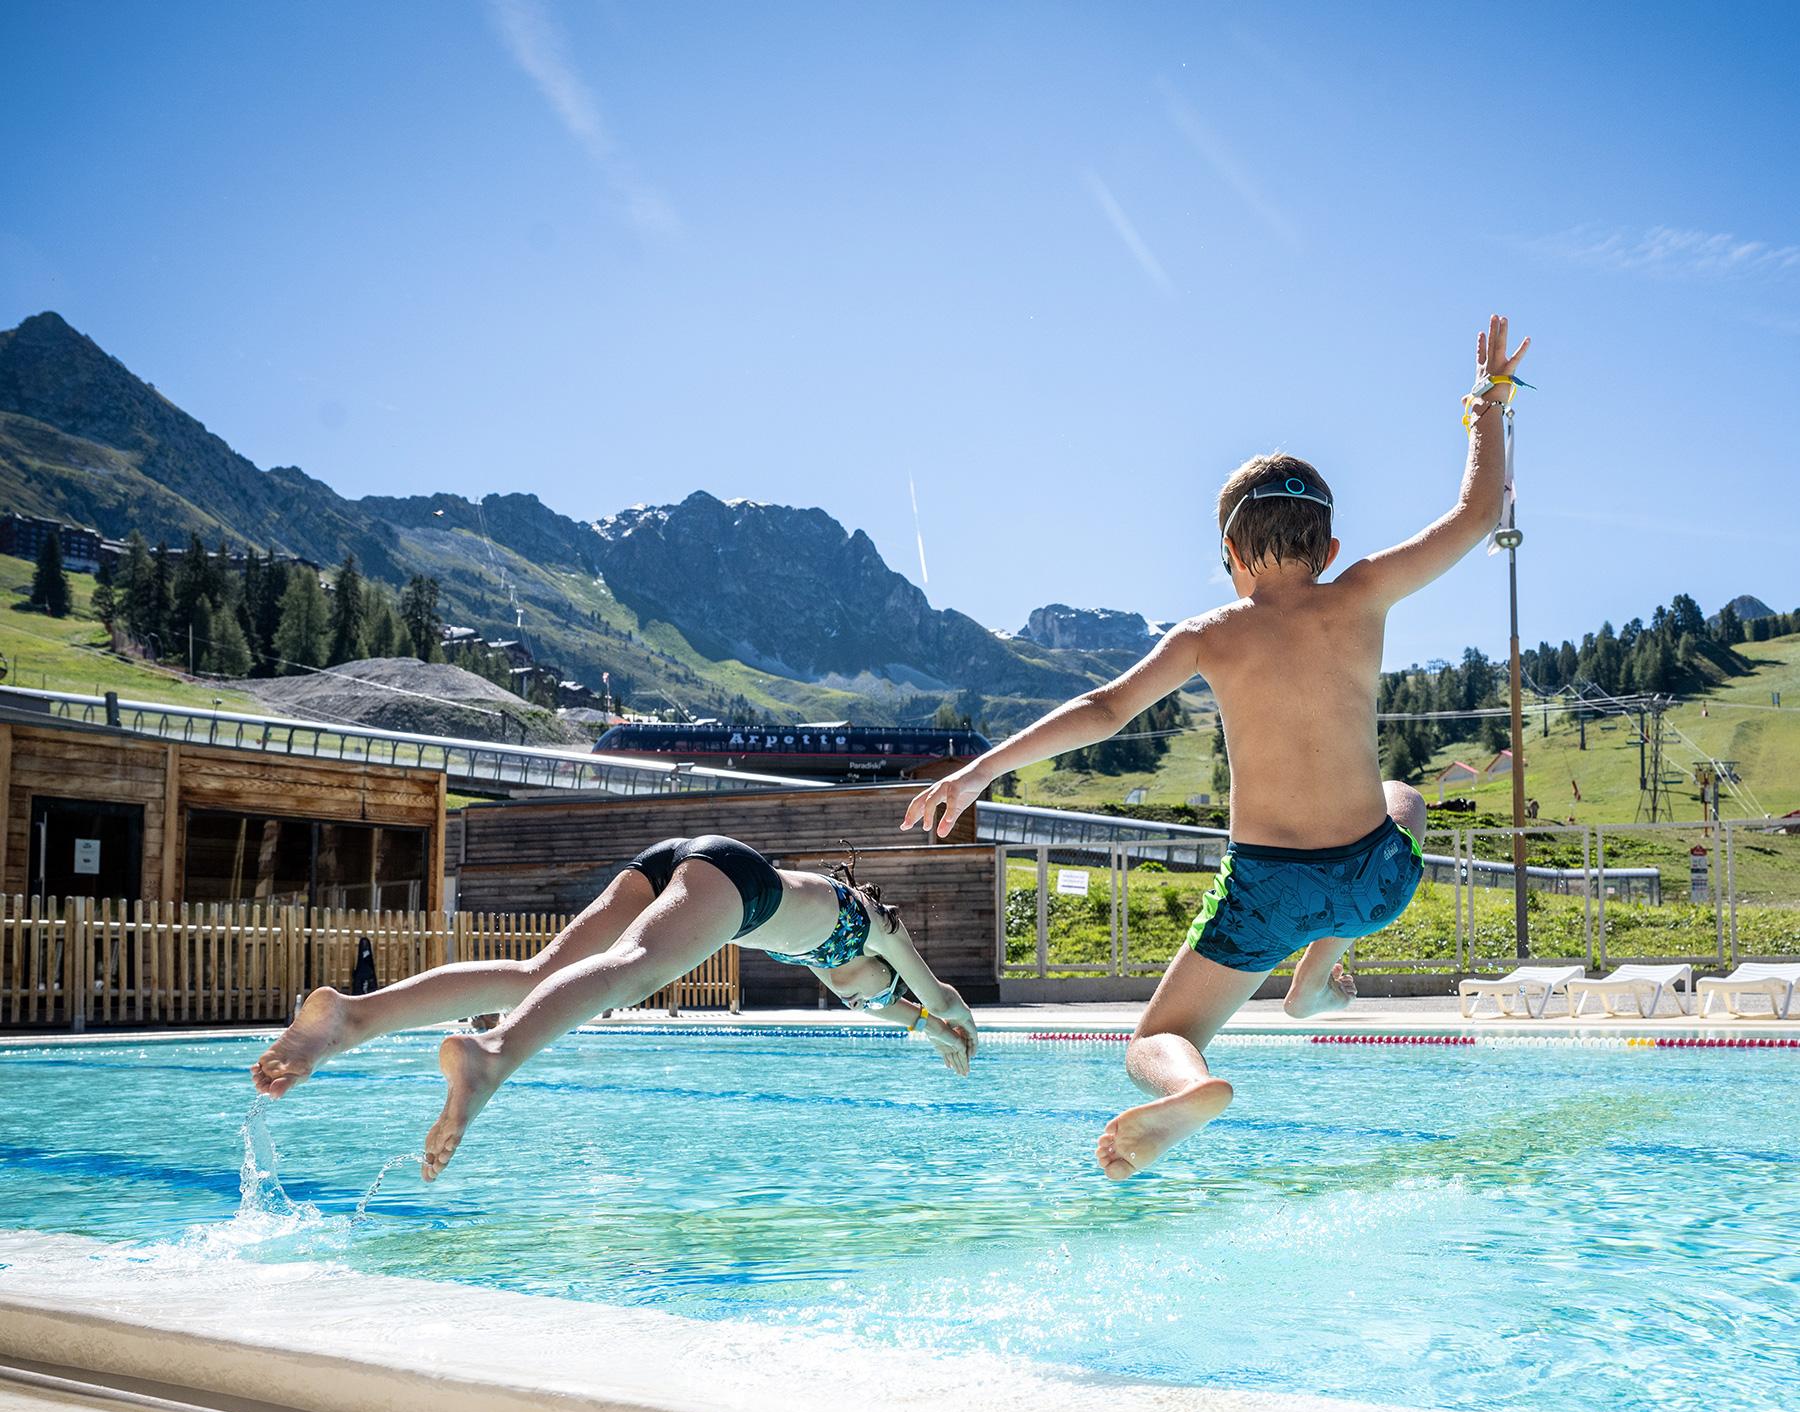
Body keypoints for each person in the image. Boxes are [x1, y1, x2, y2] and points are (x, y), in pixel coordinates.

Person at [905, 314, 1529, 1181]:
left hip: (1268, 890)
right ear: (1334, 546)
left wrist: (979, 770)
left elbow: (1103, 708)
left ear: (1230, 552)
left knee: (1157, 1034)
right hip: (1372, 884)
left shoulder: (1210, 633)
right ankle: (1316, 981)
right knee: (1405, 798)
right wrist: (1487, 400)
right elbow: (1474, 512)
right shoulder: (1364, 592)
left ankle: (1188, 1087)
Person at [251, 836, 978, 1180]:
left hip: (683, 860)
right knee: (628, 974)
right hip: (738, 883)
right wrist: (953, 1020)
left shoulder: (845, 969)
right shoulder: (876, 926)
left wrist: (924, 1030)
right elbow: (935, 991)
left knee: (538, 974)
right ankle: (493, 1056)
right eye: (880, 989)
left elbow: (901, 1008)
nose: (874, 996)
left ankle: (351, 1018)